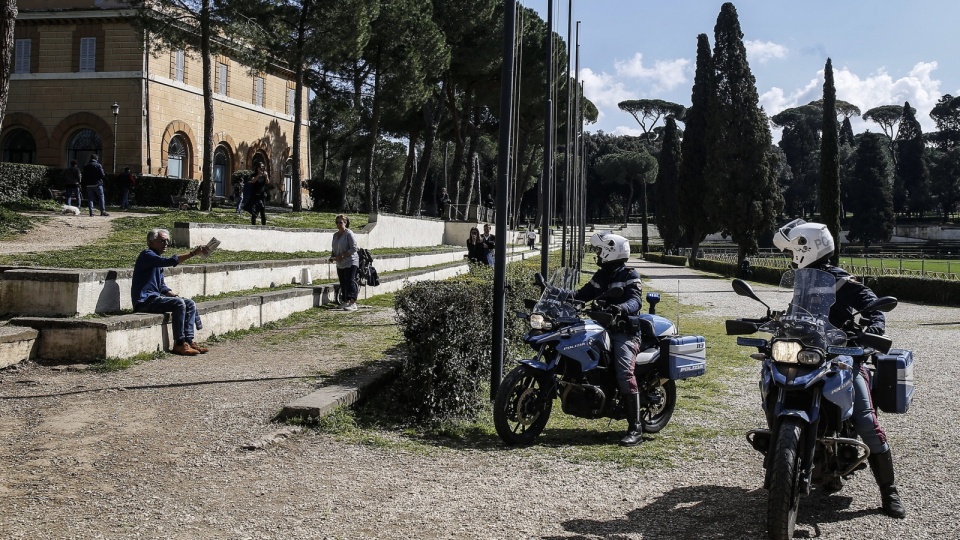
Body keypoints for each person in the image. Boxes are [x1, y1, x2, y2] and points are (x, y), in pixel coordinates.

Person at [773, 218, 907, 519]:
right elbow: (800, 315)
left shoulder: (842, 281)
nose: (790, 257)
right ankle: (786, 456)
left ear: (806, 248)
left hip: (842, 356)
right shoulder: (803, 279)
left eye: (792, 251)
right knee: (774, 379)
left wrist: (873, 325)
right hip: (810, 354)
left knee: (866, 422)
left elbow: (871, 303)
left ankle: (889, 492)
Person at [565, 232, 644, 446]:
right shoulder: (602, 276)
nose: (597, 254)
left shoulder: (629, 275)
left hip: (624, 331)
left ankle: (635, 428)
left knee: (624, 371)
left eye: (600, 250)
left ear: (611, 251)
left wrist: (620, 308)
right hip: (600, 327)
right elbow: (581, 295)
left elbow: (636, 302)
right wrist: (552, 292)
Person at [131, 228, 209, 356]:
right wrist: (193, 253)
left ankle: (188, 341)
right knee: (178, 304)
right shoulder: (147, 255)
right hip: (144, 301)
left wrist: (175, 295)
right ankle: (179, 343)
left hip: (154, 299)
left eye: (167, 241)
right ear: (151, 242)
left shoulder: (155, 259)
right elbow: (169, 261)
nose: (166, 244)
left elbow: (161, 286)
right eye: (162, 241)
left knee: (188, 302)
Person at [329, 214, 359, 311]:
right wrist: (332, 256)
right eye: (337, 222)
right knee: (343, 282)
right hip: (340, 263)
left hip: (350, 261)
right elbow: (334, 247)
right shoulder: (335, 235)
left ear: (345, 223)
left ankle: (353, 302)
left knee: (350, 281)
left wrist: (342, 256)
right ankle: (345, 301)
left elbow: (354, 248)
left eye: (340, 222)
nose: (338, 224)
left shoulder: (349, 233)